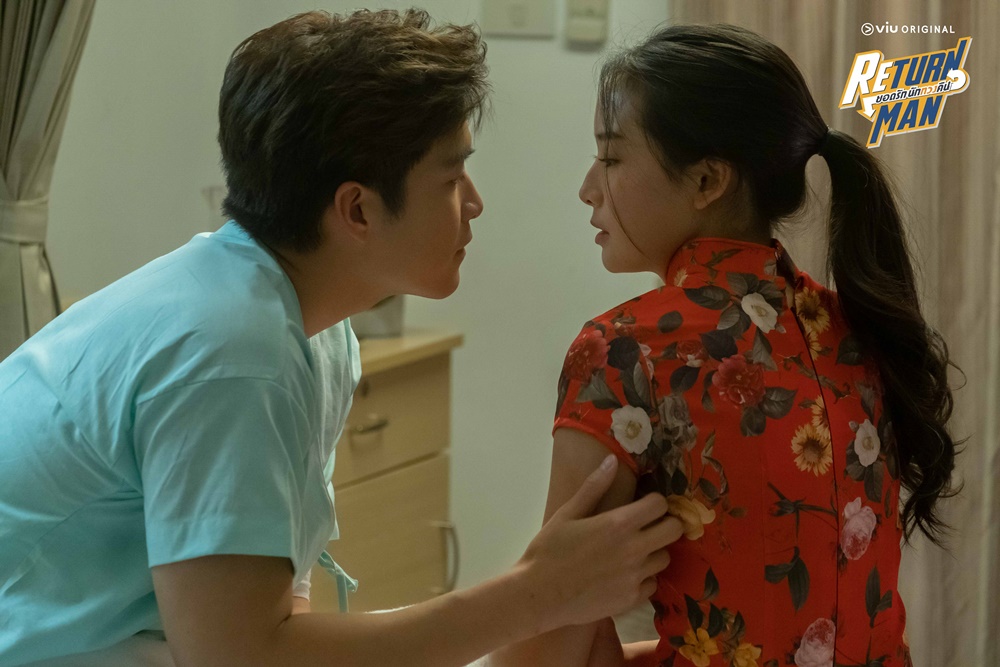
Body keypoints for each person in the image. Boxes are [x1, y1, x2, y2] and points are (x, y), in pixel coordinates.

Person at [0, 10, 685, 666]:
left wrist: (536, 597)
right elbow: (240, 657)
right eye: (452, 177)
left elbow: (273, 622)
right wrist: (536, 595)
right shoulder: (231, 351)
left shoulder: (309, 331)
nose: (474, 203)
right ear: (357, 209)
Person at [492, 23, 957, 667]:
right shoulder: (856, 328)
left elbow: (548, 649)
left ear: (707, 181)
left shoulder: (624, 351)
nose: (588, 187)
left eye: (612, 158)